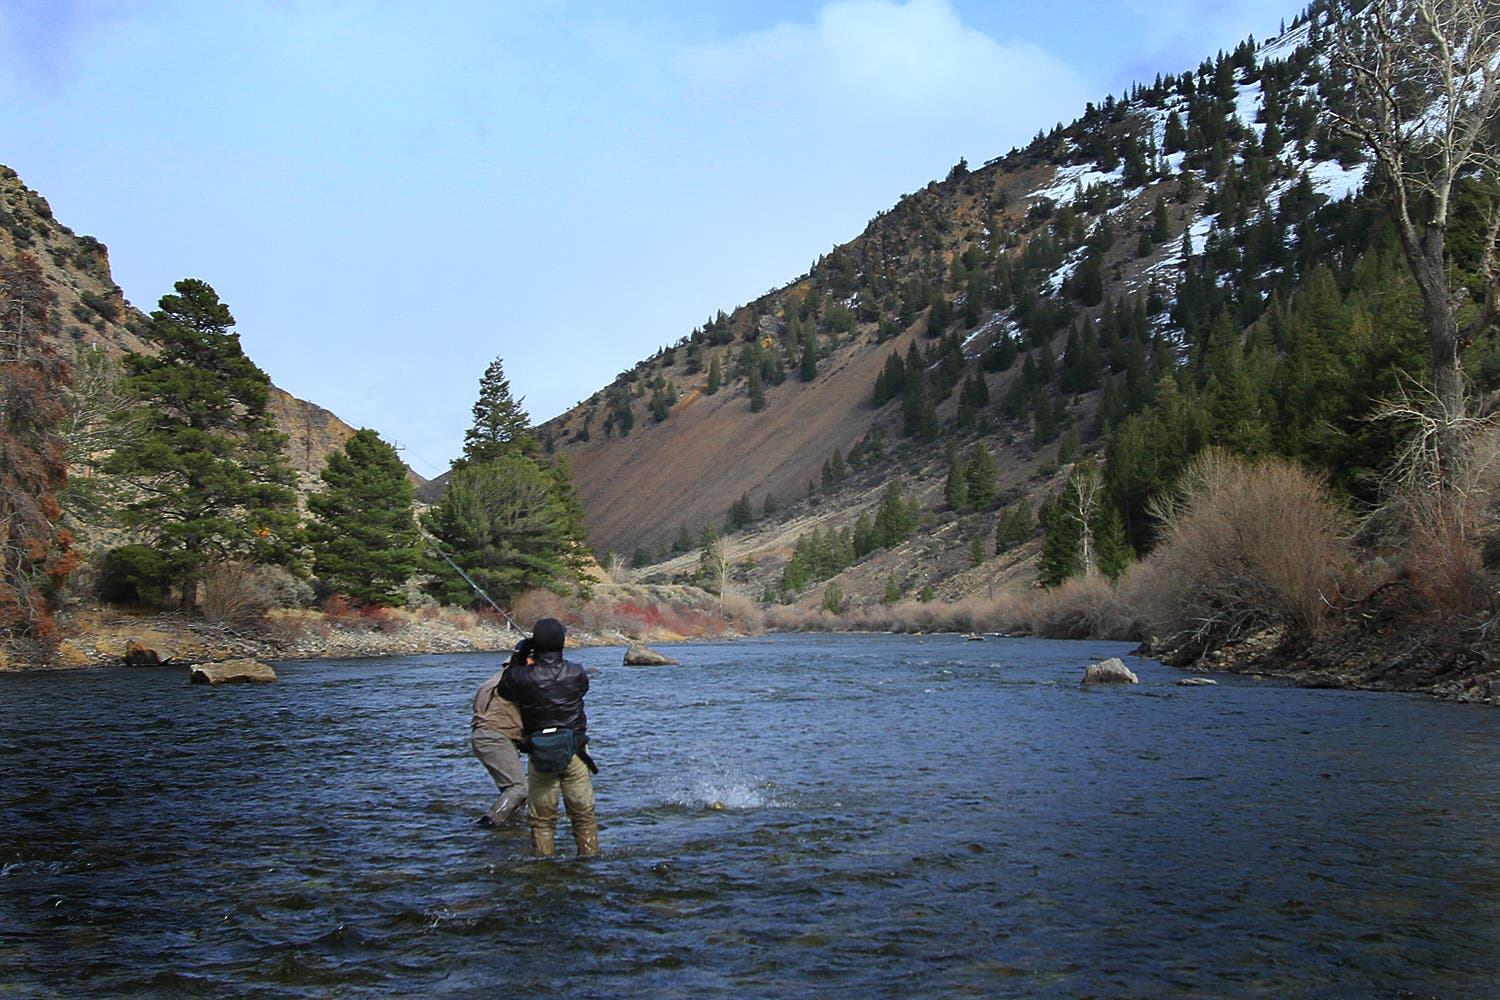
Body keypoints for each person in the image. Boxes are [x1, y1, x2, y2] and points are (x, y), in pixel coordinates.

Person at [496, 617, 598, 858]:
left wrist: (519, 655)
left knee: (542, 821)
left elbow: (504, 689)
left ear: (536, 645)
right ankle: (590, 859)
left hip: (539, 753)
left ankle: (544, 865)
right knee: (583, 815)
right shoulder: (576, 672)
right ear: (562, 644)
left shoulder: (521, 676)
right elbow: (582, 688)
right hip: (575, 752)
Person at [470, 638, 530, 828]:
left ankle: (510, 827)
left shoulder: (493, 681)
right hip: (494, 737)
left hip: (484, 736)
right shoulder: (516, 681)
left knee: (513, 792)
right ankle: (487, 824)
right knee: (518, 789)